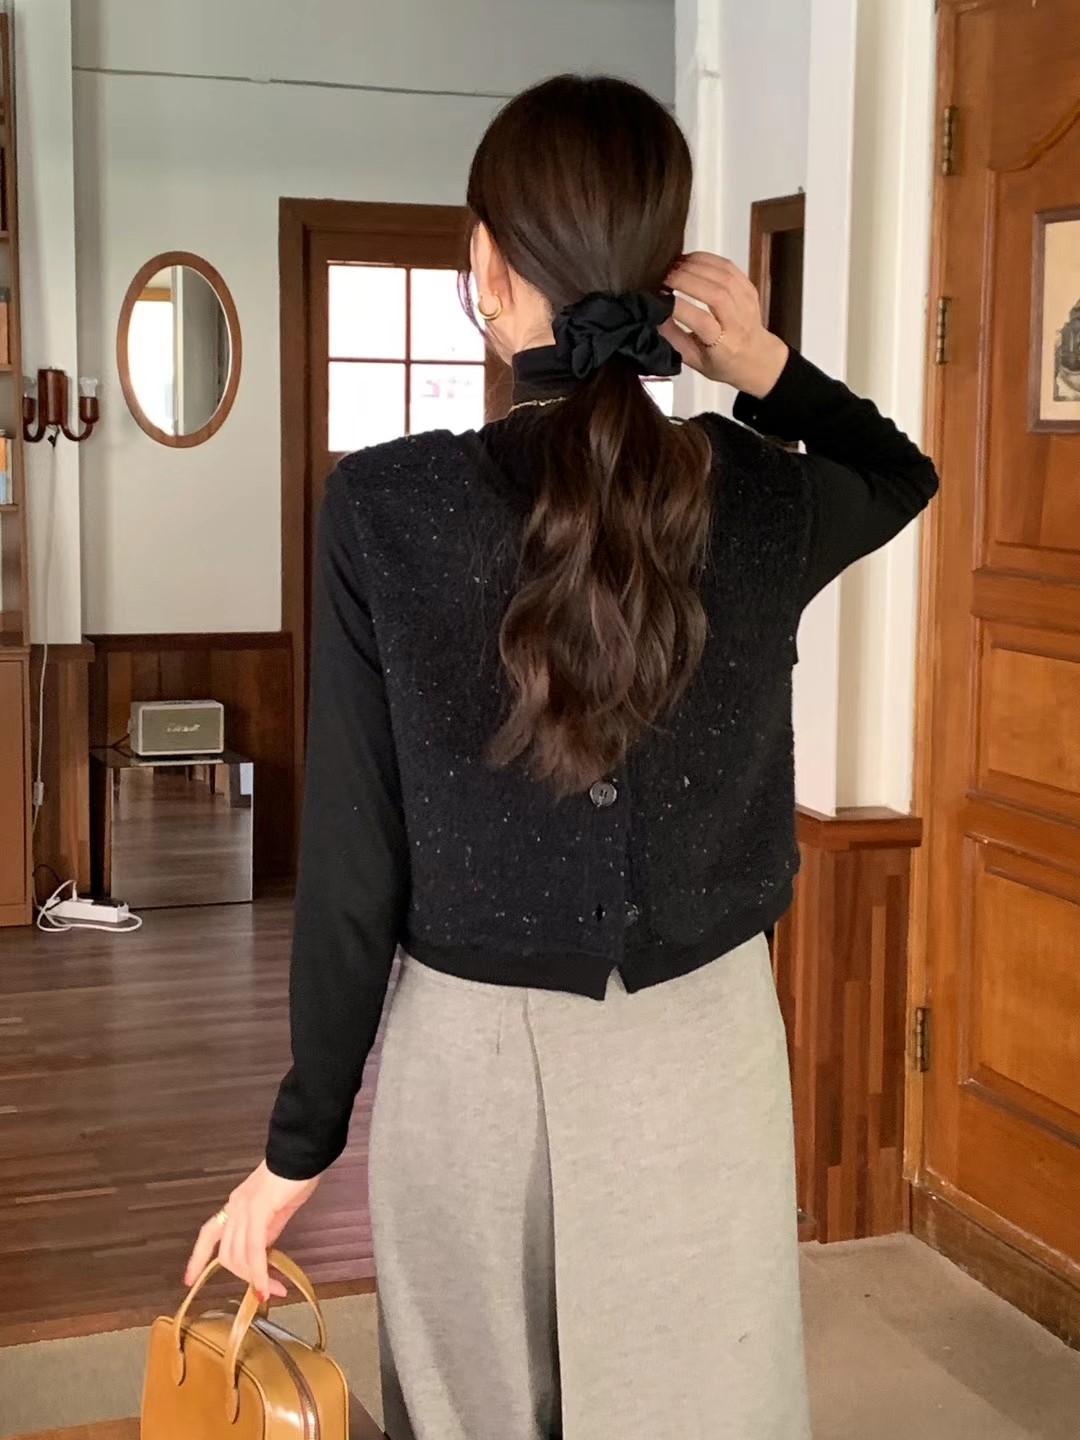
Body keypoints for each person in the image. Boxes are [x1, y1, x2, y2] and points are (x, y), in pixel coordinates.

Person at [186, 74, 938, 1440]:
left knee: (475, 1415)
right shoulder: (759, 491)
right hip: (705, 1045)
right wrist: (767, 368)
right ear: (666, 279)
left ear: (487, 267)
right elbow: (899, 474)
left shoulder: (384, 506)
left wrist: (299, 1148)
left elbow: (354, 861)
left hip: (466, 1059)